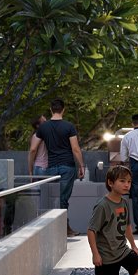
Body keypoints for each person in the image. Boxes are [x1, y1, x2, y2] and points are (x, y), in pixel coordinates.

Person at [30, 99, 85, 236]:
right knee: (63, 200)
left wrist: (31, 169)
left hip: (51, 168)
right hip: (67, 167)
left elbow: (33, 149)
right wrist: (81, 165)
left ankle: (51, 228)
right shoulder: (69, 126)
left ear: (51, 109)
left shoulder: (43, 127)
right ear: (63, 109)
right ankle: (63, 229)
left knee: (49, 199)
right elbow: (75, 148)